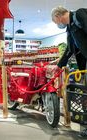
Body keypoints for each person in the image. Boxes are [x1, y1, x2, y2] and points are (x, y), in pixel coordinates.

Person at [51, 6, 87, 138]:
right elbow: (70, 50)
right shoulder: (70, 29)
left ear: (58, 16)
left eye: (55, 22)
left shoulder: (79, 15)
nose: (57, 24)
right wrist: (59, 65)